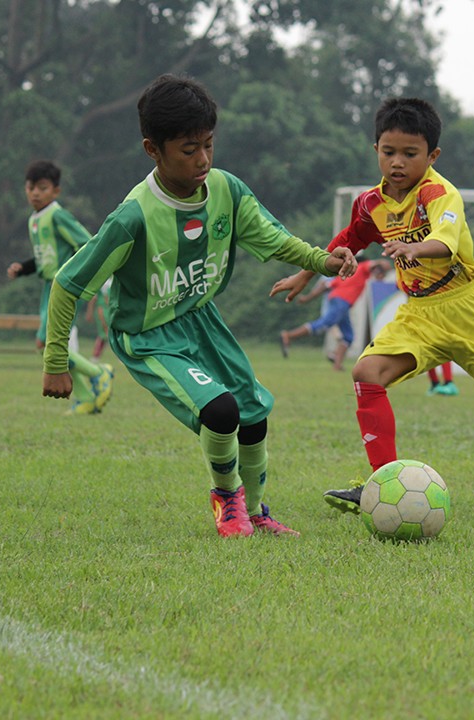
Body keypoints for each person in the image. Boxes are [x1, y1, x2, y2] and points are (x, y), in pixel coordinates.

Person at [41, 74, 356, 538]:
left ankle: (256, 511)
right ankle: (227, 499)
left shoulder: (227, 190)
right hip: (148, 336)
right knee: (221, 411)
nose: (203, 159)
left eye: (208, 145)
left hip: (202, 320)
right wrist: (55, 362)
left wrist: (321, 260)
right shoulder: (133, 218)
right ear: (153, 150)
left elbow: (272, 237)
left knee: (253, 414)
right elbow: (68, 284)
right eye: (189, 150)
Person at [271, 97, 474, 513]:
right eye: (389, 152)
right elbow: (349, 238)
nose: (397, 162)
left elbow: (445, 240)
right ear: (376, 150)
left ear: (432, 155)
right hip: (419, 313)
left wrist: (414, 247)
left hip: (470, 311)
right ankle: (381, 486)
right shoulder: (371, 203)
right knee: (367, 373)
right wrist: (306, 272)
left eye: (410, 153)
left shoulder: (440, 193)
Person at [8, 160, 114, 415]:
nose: (35, 193)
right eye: (31, 187)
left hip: (64, 288)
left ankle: (98, 372)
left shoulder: (57, 215)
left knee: (47, 345)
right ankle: (86, 397)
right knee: (47, 346)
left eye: (42, 188)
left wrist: (77, 278)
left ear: (56, 191)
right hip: (48, 287)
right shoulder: (35, 220)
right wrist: (23, 268)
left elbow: (87, 244)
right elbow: (47, 256)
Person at [280, 258, 389, 371]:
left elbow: (324, 286)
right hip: (342, 301)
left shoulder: (346, 275)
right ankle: (289, 336)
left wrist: (307, 298)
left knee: (348, 336)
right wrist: (383, 267)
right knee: (324, 324)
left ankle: (337, 364)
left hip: (340, 302)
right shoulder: (362, 268)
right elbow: (379, 263)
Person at [85, 278, 112, 360]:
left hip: (110, 309)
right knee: (103, 334)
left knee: (107, 334)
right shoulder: (101, 280)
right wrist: (89, 312)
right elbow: (94, 298)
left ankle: (96, 356)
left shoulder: (112, 280)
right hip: (102, 309)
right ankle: (95, 356)